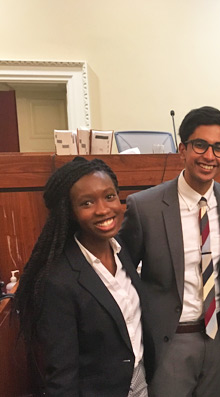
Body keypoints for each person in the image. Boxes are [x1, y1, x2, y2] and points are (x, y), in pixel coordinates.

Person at [119, 106, 220, 397]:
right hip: (169, 339)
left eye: (219, 148)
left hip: (217, 336)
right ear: (182, 149)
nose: (209, 156)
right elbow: (121, 272)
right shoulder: (145, 207)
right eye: (200, 145)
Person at [15, 157, 148, 397]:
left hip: (139, 381)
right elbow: (62, 374)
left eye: (109, 196)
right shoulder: (57, 281)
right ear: (70, 212)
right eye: (87, 203)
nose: (103, 209)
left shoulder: (120, 247)